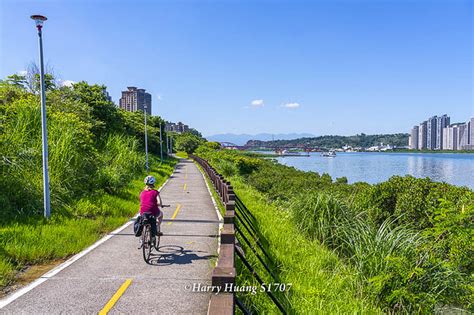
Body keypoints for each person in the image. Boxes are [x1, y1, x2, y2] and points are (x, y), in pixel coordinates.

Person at [139, 175, 164, 243]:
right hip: (153, 212)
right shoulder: (155, 192)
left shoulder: (142, 192)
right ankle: (157, 227)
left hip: (143, 212)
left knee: (143, 220)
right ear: (153, 183)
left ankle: (142, 238)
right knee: (161, 214)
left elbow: (143, 202)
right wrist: (158, 204)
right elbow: (159, 202)